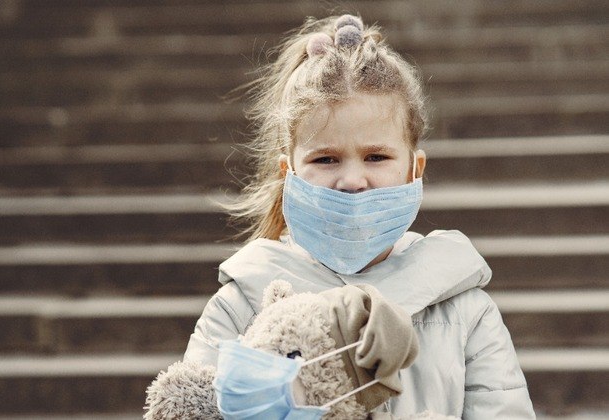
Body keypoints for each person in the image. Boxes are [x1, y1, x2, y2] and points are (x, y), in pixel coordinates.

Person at [182, 14, 535, 418]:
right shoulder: (241, 304)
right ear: (289, 174)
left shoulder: (466, 312)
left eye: (376, 156)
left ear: (414, 170)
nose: (352, 180)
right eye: (326, 158)